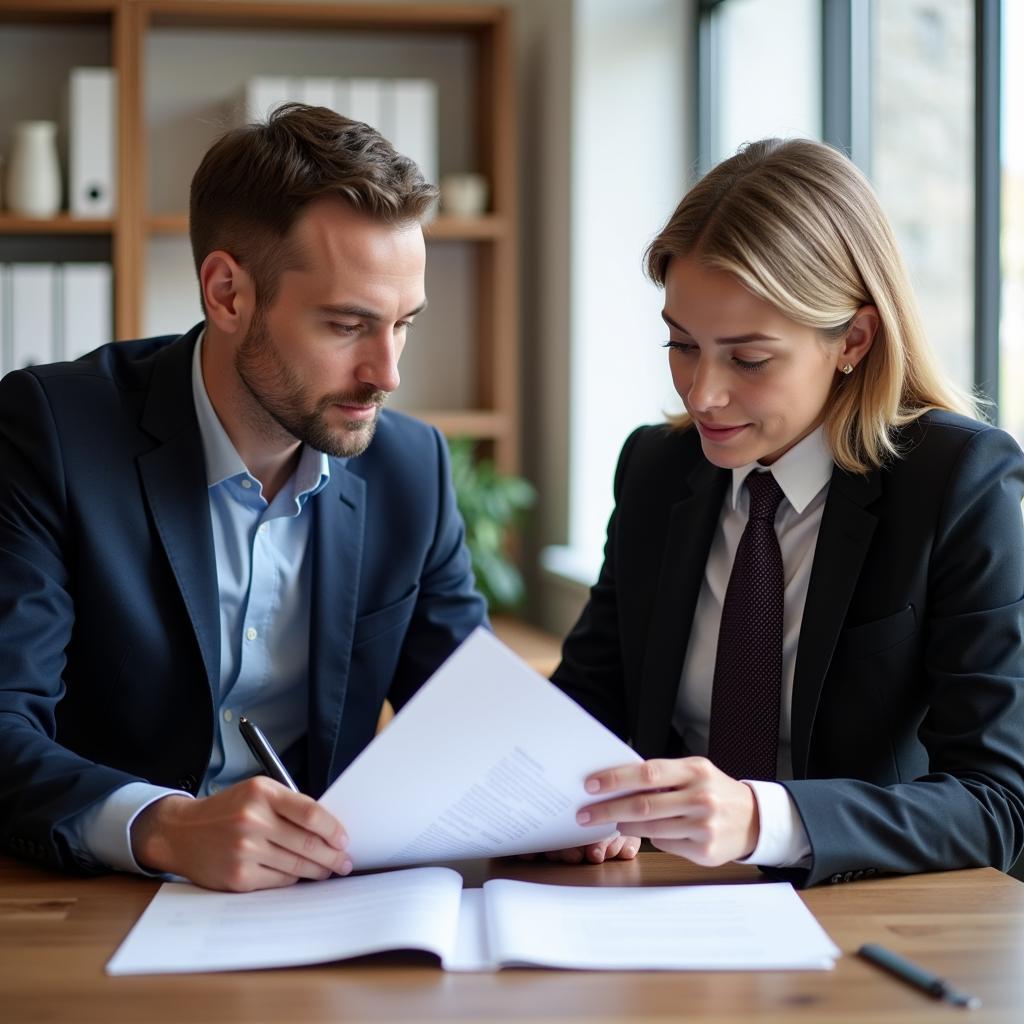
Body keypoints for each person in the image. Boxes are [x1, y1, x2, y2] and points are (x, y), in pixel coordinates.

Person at [0, 104, 487, 892]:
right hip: (97, 897)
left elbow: (471, 715)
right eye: (346, 324)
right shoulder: (53, 432)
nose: (387, 372)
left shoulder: (412, 467)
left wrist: (561, 807)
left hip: (325, 902)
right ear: (227, 293)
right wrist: (162, 826)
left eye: (404, 325)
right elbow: (2, 722)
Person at [551, 137, 1024, 886]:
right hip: (659, 896)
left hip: (862, 914)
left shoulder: (957, 482)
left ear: (853, 340)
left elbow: (998, 803)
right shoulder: (656, 469)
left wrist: (759, 819)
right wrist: (562, 795)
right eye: (681, 344)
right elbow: (586, 707)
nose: (701, 393)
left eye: (748, 359)